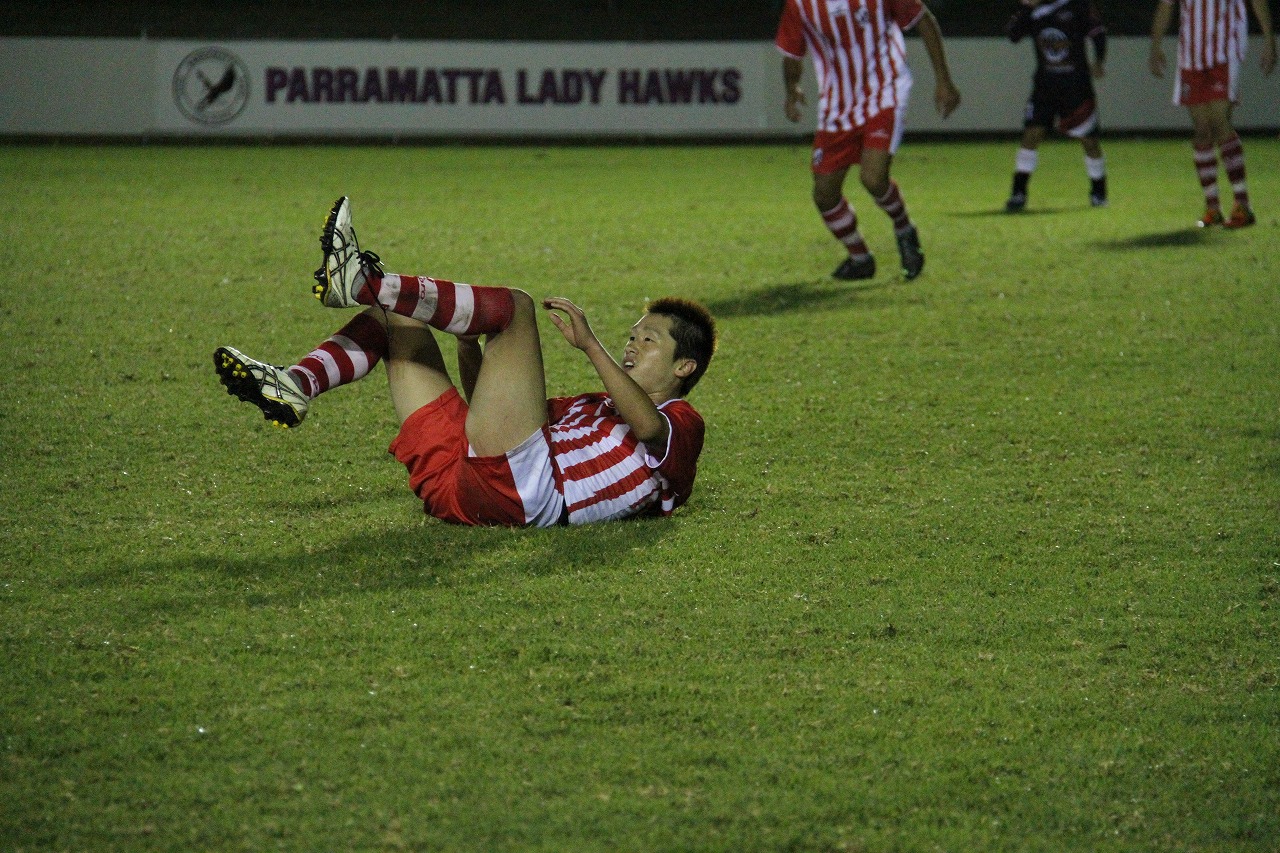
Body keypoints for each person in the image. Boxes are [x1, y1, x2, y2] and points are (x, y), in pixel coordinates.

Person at [214, 197, 718, 527]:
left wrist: (590, 346)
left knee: (517, 308)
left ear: (683, 368)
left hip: (524, 491)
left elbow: (649, 428)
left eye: (648, 339)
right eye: (631, 335)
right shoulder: (593, 409)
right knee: (394, 321)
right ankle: (296, 383)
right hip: (467, 480)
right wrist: (468, 345)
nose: (630, 344)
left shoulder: (682, 422)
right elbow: (495, 417)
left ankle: (363, 281)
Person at [776, 0, 961, 282]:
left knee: (873, 178)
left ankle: (904, 229)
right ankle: (860, 258)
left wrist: (944, 80)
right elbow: (792, 52)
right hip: (837, 105)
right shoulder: (800, 4)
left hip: (885, 91)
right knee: (824, 195)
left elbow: (924, 20)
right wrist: (792, 90)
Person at [1149, 0, 1276, 228]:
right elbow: (1166, 5)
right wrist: (1155, 45)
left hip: (1225, 49)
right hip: (1190, 54)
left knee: (1219, 122)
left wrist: (1269, 40)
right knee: (1202, 129)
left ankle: (1242, 205)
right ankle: (1212, 208)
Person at [1004, 0, 1110, 213]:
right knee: (1032, 134)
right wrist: (1027, 8)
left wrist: (1098, 61)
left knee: (1088, 139)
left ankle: (1099, 191)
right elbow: (1012, 35)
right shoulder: (1036, 11)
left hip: (1076, 84)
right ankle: (1018, 193)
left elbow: (1098, 34)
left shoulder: (1078, 6)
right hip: (1045, 84)